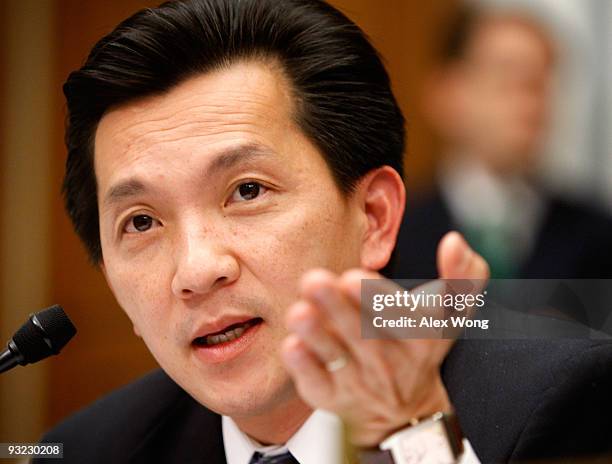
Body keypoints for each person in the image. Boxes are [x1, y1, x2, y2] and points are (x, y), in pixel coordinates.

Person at [36, 1, 612, 463]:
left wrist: (417, 436)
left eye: (248, 191)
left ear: (375, 219)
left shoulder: (559, 398)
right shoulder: (86, 450)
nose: (196, 270)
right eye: (141, 222)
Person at [394, 5, 612, 280]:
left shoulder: (595, 236)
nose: (529, 103)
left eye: (540, 82)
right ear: (447, 92)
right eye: (507, 76)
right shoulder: (397, 233)